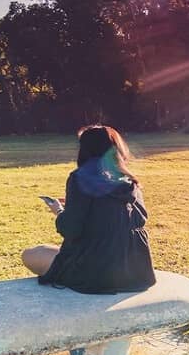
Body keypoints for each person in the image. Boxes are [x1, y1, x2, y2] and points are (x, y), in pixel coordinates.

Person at [21, 125, 156, 294]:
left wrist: (59, 211)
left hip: (96, 275)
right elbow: (136, 218)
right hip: (138, 273)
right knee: (49, 251)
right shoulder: (130, 181)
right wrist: (75, 203)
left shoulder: (79, 178)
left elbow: (71, 229)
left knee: (30, 254)